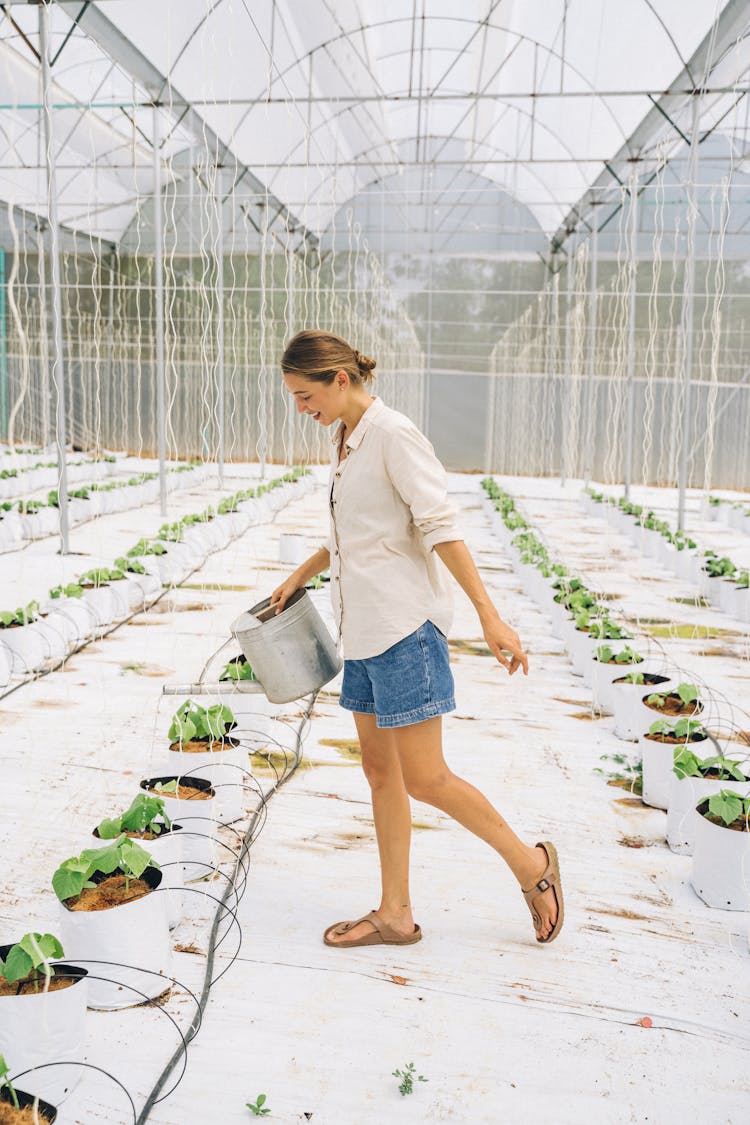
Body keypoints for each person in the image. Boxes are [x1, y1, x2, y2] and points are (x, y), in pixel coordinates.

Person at [271, 330, 563, 947]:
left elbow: (439, 528)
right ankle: (396, 914)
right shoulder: (345, 441)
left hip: (405, 629)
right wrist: (301, 573)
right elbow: (360, 532)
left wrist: (489, 615)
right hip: (364, 632)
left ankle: (532, 866)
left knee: (426, 778)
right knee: (380, 774)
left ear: (340, 380)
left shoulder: (394, 435)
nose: (301, 408)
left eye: (305, 395)